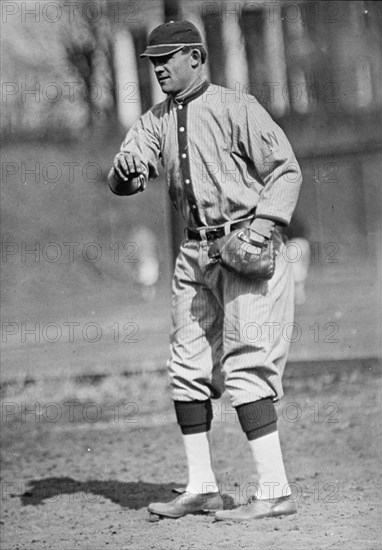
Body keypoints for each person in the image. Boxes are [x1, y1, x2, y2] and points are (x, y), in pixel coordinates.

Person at [108, 20, 303, 522]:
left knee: (247, 365)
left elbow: (285, 169)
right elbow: (129, 167)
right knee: (187, 366)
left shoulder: (237, 106)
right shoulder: (155, 120)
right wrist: (126, 173)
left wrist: (262, 230)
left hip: (246, 245)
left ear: (196, 56)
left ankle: (275, 490)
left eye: (167, 58)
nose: (159, 68)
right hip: (196, 254)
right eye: (153, 61)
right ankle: (201, 486)